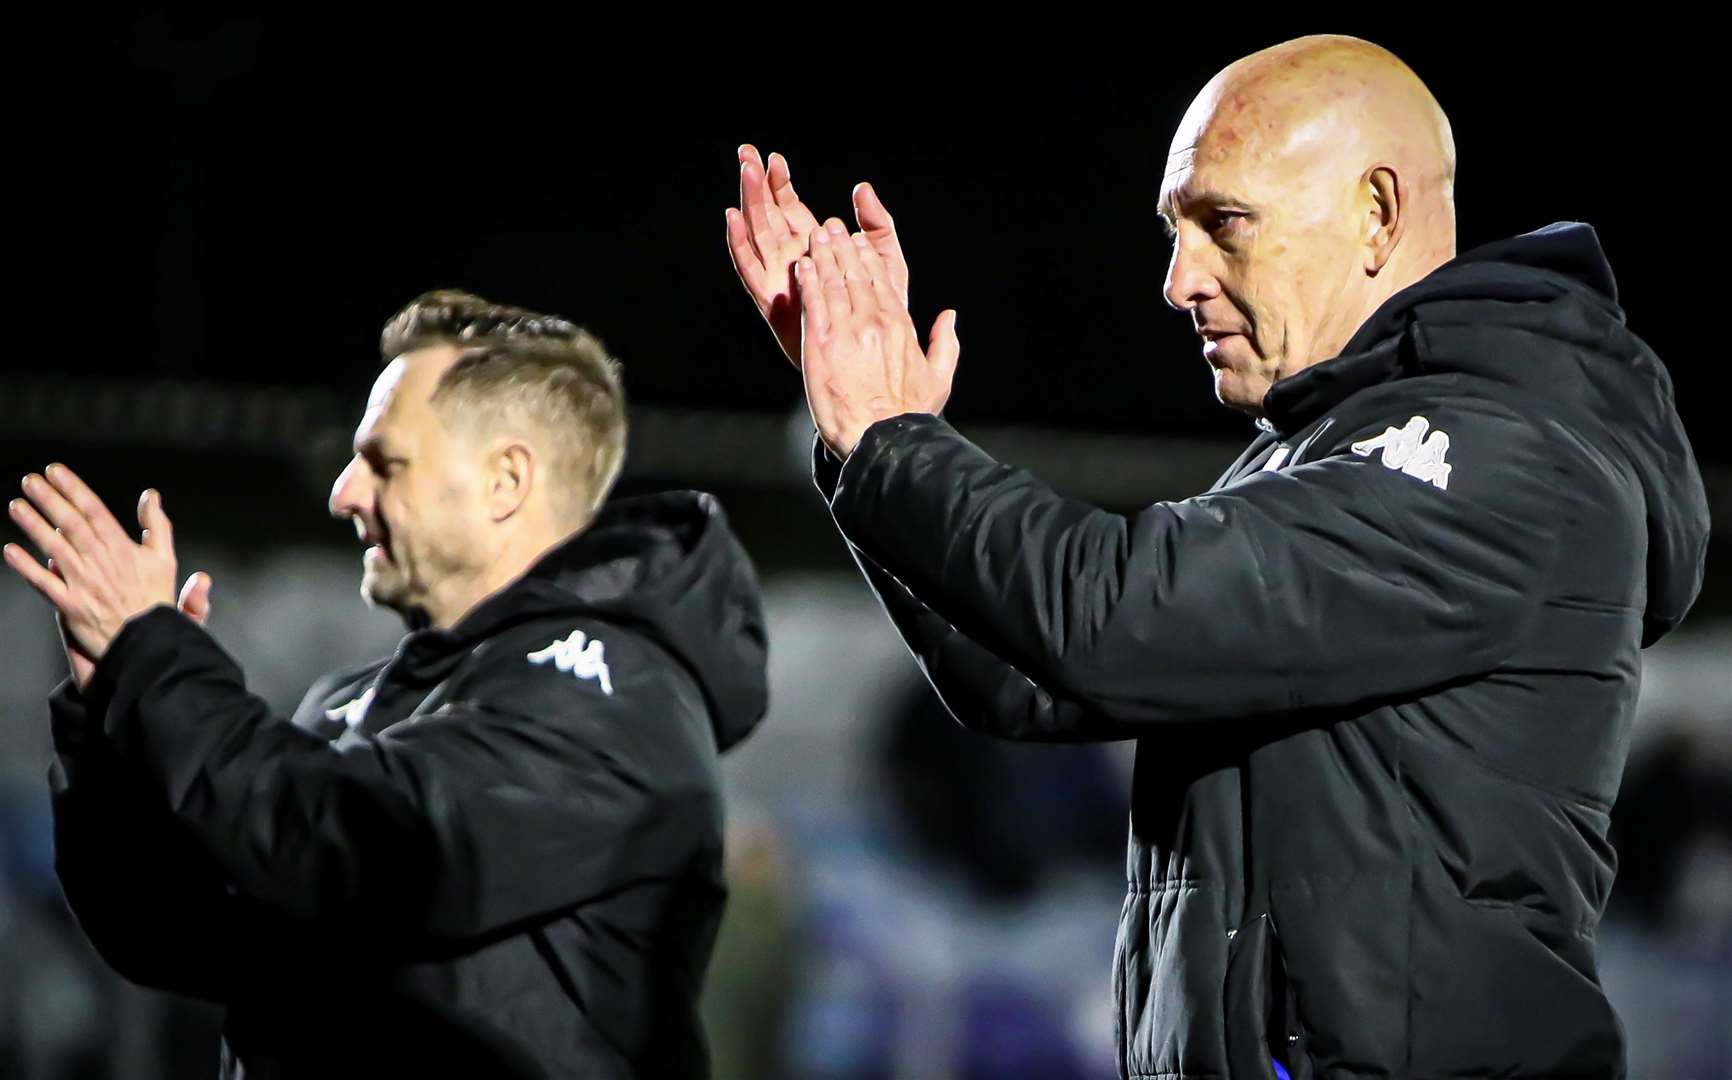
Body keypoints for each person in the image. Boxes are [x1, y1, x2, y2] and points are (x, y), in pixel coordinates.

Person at [726, 34, 1710, 1079]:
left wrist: (894, 442)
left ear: (1375, 212)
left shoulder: (1493, 454)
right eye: (1172, 230)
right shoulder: (1321, 454)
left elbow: (1108, 618)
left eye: (1221, 223)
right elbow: (1032, 676)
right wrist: (862, 444)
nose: (1176, 280)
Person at [4, 290, 769, 1078]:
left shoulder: (612, 694)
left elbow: (359, 846)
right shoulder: (354, 701)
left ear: (507, 480)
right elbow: (176, 929)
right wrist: (113, 721)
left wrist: (156, 662)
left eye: (384, 461)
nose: (344, 493)